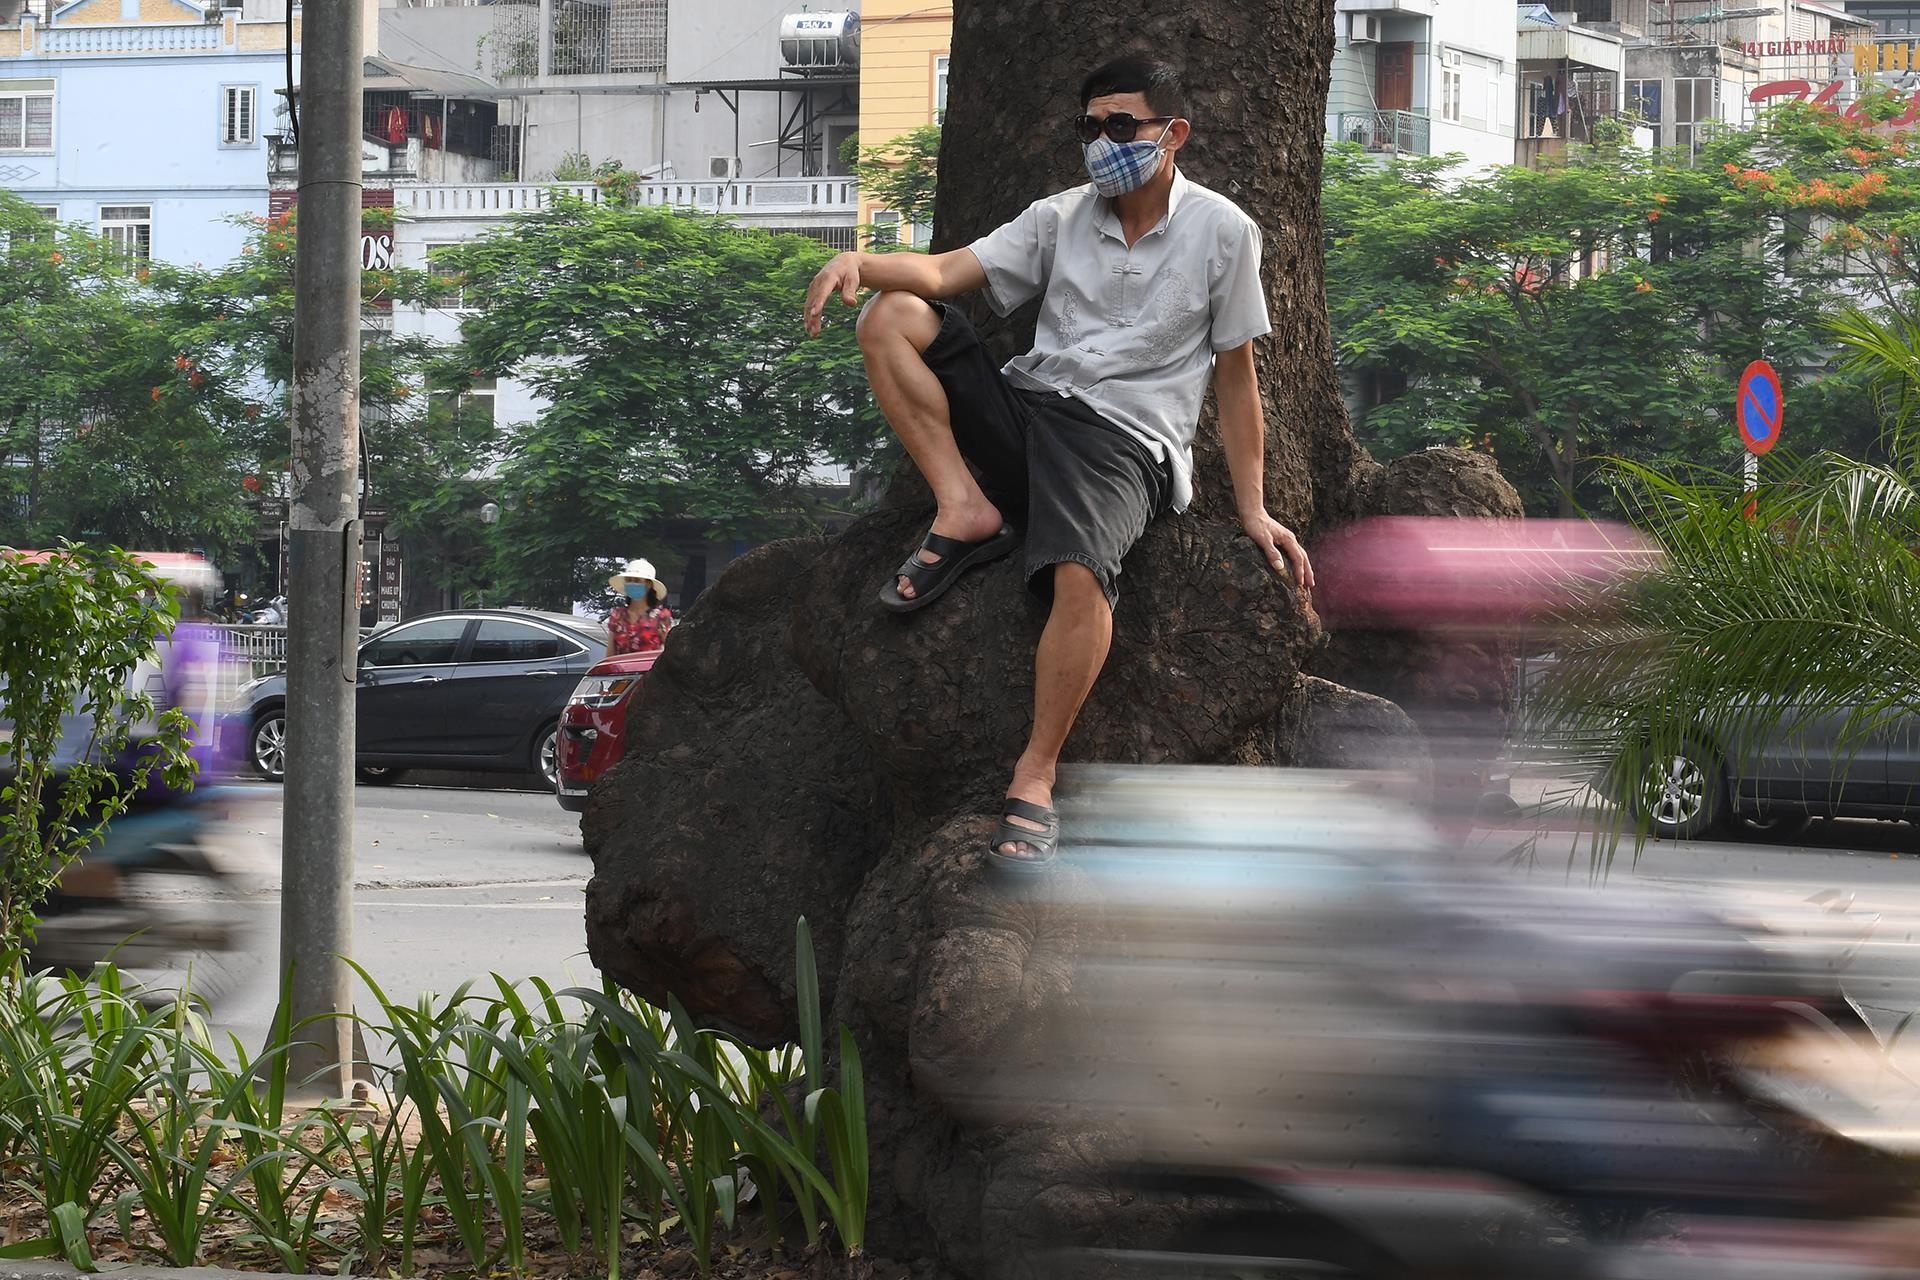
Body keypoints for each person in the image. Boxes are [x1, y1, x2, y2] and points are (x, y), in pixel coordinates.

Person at [802, 57, 1314, 873]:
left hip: (1121, 442)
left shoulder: (1224, 231)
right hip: (1030, 406)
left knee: (1079, 576)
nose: (1102, 144)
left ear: (1172, 134)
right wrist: (861, 264)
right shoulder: (1061, 217)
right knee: (892, 314)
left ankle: (1034, 774)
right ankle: (964, 507)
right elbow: (942, 275)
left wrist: (1253, 509)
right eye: (1090, 127)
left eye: (1121, 126)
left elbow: (1237, 377)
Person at [607, 557, 674, 655]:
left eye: (637, 580)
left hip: (651, 669)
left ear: (649, 584)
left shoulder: (662, 617)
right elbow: (609, 655)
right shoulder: (617, 616)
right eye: (629, 580)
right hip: (621, 669)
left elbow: (671, 652)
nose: (632, 583)